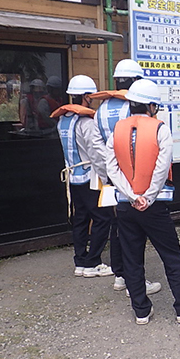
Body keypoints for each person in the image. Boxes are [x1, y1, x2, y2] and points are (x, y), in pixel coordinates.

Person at [106, 78, 180, 325]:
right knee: (172, 256)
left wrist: (131, 195)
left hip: (125, 205)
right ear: (151, 106)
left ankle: (141, 311)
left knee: (131, 258)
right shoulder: (160, 129)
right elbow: (162, 168)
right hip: (154, 205)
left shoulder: (117, 129)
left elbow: (112, 167)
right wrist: (148, 196)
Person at [89, 59, 162, 296]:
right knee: (135, 234)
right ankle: (135, 283)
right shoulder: (134, 108)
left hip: (113, 179)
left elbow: (97, 148)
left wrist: (108, 177)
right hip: (137, 182)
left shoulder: (101, 111)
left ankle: (120, 275)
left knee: (117, 226)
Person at [51, 75, 113, 278]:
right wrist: (108, 176)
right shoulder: (86, 122)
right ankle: (93, 262)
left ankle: (80, 261)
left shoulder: (63, 120)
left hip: (72, 177)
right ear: (87, 97)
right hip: (90, 177)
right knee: (103, 218)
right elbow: (96, 153)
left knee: (80, 218)